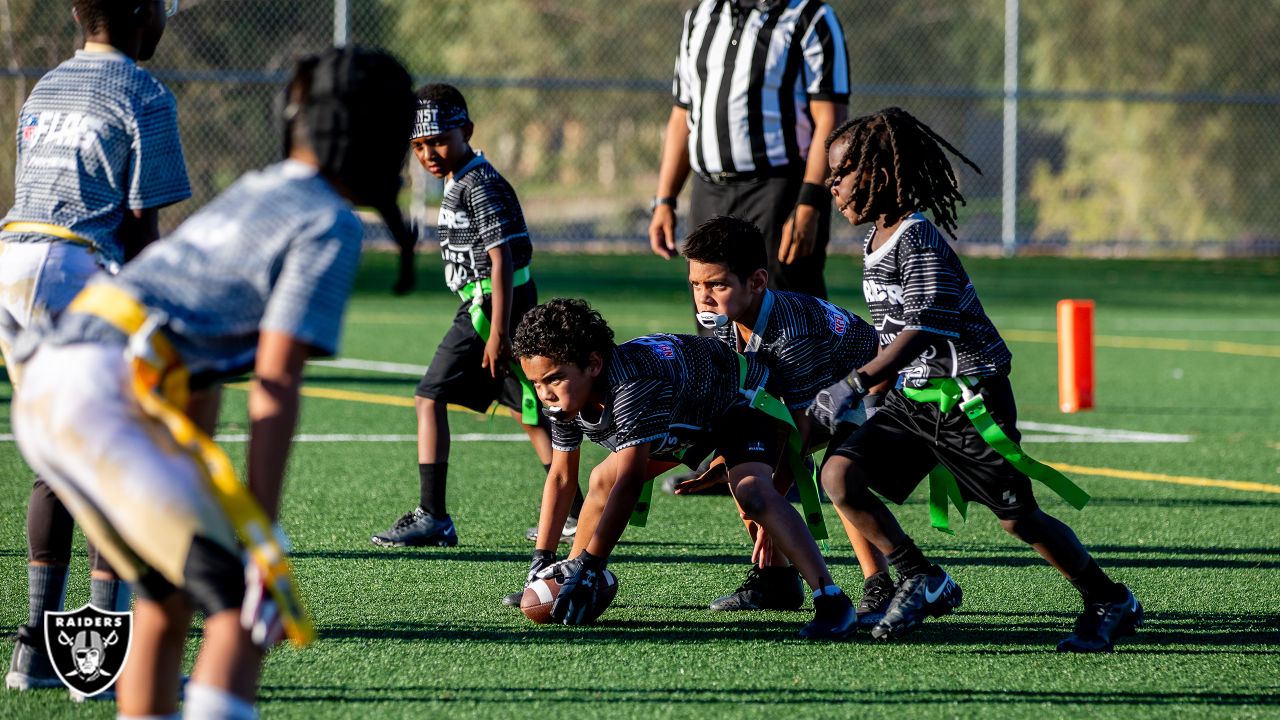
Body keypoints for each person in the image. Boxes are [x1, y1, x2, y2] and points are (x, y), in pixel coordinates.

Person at [10, 45, 415, 718]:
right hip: (100, 395)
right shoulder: (326, 222)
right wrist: (261, 531)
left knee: (167, 599)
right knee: (245, 608)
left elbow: (190, 355)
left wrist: (191, 480)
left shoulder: (259, 188)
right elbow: (276, 380)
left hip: (55, 381)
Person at [814, 107, 1142, 651]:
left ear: (876, 172)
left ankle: (1109, 597)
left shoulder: (917, 237)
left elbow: (921, 328)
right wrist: (871, 395)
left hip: (970, 400)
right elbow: (891, 330)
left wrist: (854, 383)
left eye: (840, 173)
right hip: (916, 400)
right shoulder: (876, 239)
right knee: (840, 477)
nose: (832, 185)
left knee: (1019, 520)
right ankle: (921, 576)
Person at [0, 0, 188, 693]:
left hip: (13, 264)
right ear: (141, 15)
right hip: (76, 268)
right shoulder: (143, 91)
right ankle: (98, 660)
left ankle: (32, 648)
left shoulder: (49, 83)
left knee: (56, 455)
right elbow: (141, 229)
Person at [508, 298, 857, 639]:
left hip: (745, 402)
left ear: (594, 365)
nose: (545, 394)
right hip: (688, 412)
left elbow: (630, 483)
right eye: (536, 384)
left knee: (753, 492)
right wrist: (542, 559)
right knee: (601, 478)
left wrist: (594, 564)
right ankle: (566, 572)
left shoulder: (632, 386)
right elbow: (561, 475)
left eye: (552, 380)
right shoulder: (570, 392)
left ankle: (831, 598)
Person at [370, 84, 581, 550]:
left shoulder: (477, 182)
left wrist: (497, 332)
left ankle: (433, 516)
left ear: (466, 130)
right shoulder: (457, 177)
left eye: (439, 140)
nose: (428, 152)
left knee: (429, 397)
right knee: (526, 408)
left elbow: (501, 258)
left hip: (491, 307)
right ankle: (575, 513)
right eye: (419, 145)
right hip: (492, 303)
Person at [676, 215, 893, 626]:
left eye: (716, 285)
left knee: (837, 474)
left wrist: (772, 510)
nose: (703, 297)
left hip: (874, 394)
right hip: (820, 402)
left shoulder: (794, 332)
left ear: (757, 282)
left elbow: (802, 433)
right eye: (695, 285)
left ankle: (879, 580)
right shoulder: (727, 322)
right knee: (743, 468)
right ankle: (776, 580)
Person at [648, 0, 850, 301]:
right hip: (709, 191)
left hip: (778, 192)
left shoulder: (809, 17)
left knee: (785, 313)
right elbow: (683, 115)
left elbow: (830, 118)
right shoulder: (701, 16)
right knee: (712, 311)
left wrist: (810, 202)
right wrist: (665, 199)